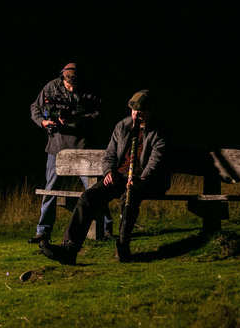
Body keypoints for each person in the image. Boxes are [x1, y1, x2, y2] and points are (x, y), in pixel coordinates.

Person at [39, 89, 171, 264]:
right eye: (133, 112)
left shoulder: (158, 130)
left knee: (129, 196)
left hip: (147, 179)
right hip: (120, 176)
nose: (135, 116)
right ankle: (69, 248)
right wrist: (109, 172)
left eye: (139, 113)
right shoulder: (123, 126)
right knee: (88, 197)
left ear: (150, 111)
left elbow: (156, 160)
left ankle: (123, 246)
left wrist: (141, 178)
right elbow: (109, 155)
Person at [29, 62, 113, 243]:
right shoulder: (51, 87)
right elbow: (35, 108)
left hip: (83, 148)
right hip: (57, 148)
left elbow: (100, 114)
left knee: (94, 190)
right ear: (63, 78)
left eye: (75, 84)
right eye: (69, 84)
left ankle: (106, 228)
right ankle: (43, 232)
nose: (72, 87)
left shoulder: (90, 90)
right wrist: (44, 123)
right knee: (50, 190)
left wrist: (76, 117)